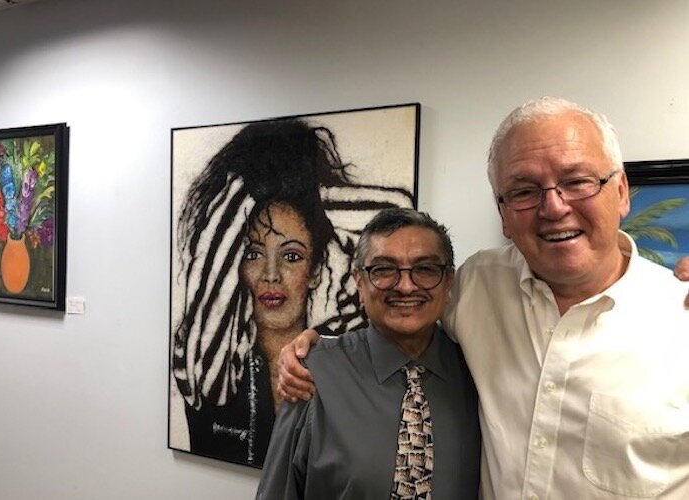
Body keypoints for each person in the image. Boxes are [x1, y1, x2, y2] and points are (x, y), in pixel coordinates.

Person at [278, 97, 689, 498]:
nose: (553, 206)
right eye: (524, 190)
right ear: (503, 213)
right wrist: (310, 347)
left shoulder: (681, 313)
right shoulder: (477, 285)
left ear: (620, 192)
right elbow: (401, 315)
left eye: (577, 181)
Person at [171, 118, 413, 467]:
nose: (271, 274)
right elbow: (207, 258)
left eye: (292, 256)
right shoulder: (210, 362)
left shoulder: (341, 350)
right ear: (233, 265)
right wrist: (246, 187)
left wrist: (311, 191)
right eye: (252, 254)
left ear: (315, 269)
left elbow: (394, 212)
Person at [256, 208, 480, 499]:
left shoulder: (476, 373)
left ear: (448, 282)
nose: (406, 285)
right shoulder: (312, 376)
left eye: (425, 269)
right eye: (384, 269)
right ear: (359, 283)